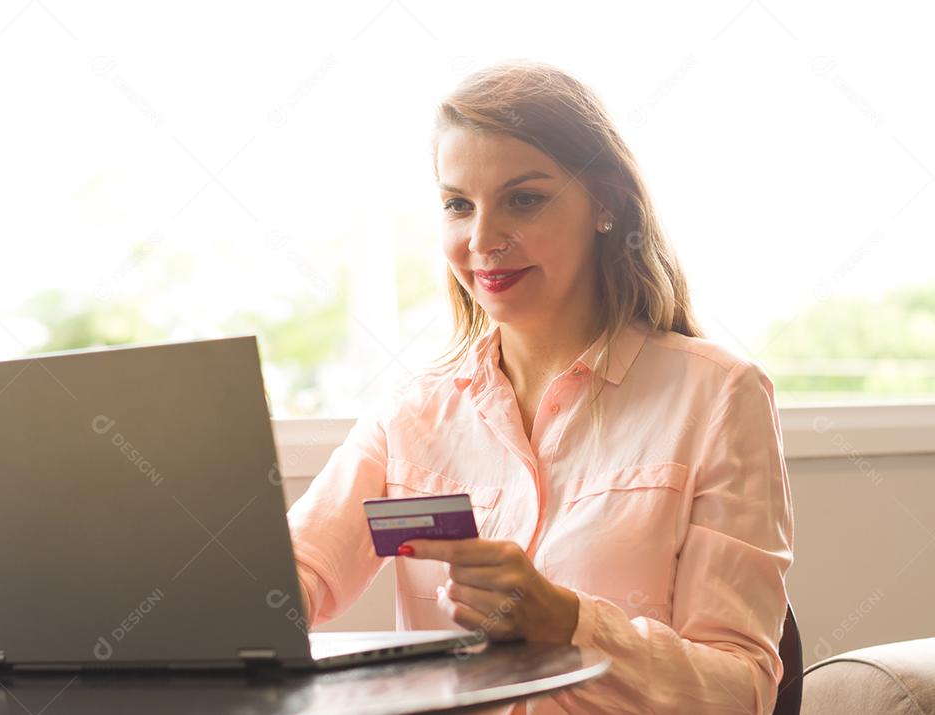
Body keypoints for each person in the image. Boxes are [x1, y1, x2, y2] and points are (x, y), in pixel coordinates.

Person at [286, 59, 794, 714]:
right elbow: (292, 576)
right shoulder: (412, 414)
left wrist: (569, 623)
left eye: (523, 199)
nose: (483, 239)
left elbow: (742, 691)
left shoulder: (719, 396)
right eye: (459, 205)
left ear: (605, 204)